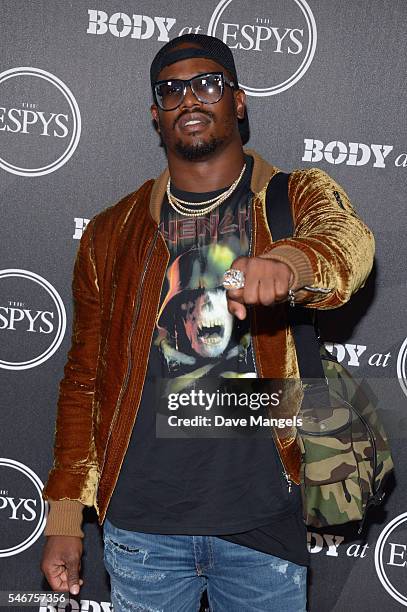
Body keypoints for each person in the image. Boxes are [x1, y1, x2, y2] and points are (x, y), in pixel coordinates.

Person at [40, 33, 374, 611]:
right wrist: (66, 514)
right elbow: (85, 380)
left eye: (207, 84)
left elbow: (348, 245)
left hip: (263, 526)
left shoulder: (295, 196)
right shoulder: (109, 233)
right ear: (156, 114)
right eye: (170, 90)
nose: (189, 98)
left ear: (237, 101)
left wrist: (287, 263)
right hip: (141, 529)